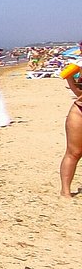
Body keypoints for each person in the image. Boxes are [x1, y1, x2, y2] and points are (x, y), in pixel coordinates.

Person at [60, 67, 82, 198]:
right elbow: (77, 90)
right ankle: (65, 191)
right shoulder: (77, 65)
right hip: (79, 111)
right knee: (74, 152)